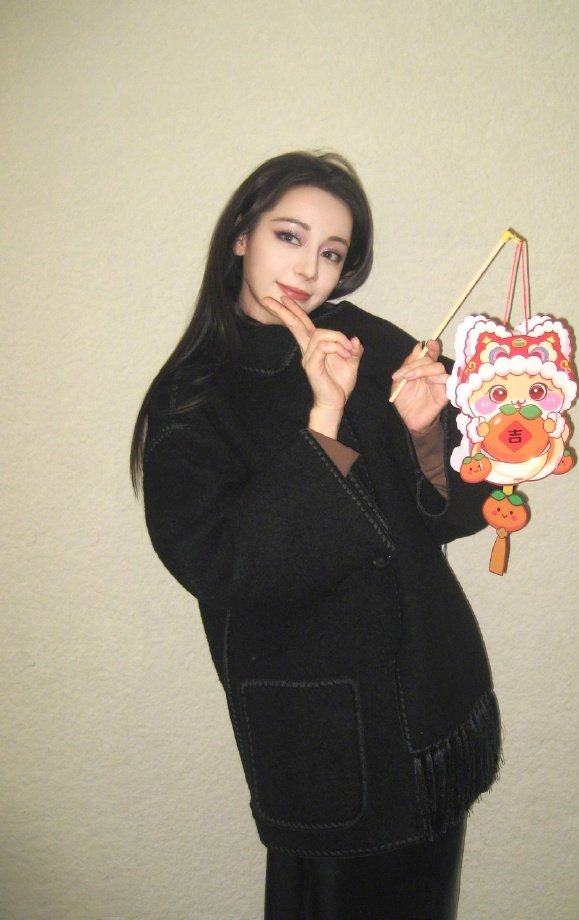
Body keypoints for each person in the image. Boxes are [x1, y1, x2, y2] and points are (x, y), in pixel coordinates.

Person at [131, 151, 501, 919]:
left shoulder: (364, 339)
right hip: (324, 731)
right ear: (241, 235)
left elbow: (452, 509)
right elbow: (225, 564)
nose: (308, 269)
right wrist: (324, 420)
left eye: (331, 252)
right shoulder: (193, 394)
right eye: (289, 236)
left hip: (431, 694)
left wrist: (427, 430)